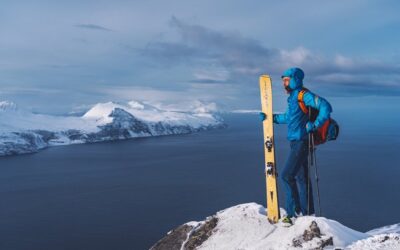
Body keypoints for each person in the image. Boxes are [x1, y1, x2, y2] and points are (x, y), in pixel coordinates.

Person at [260, 67, 332, 225]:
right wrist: (271, 118)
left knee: (287, 175)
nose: (284, 83)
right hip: (295, 142)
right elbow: (289, 117)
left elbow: (326, 107)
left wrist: (315, 124)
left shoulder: (303, 95)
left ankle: (293, 213)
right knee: (301, 178)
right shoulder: (293, 97)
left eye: (287, 80)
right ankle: (308, 213)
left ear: (295, 79)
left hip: (302, 142)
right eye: (283, 80)